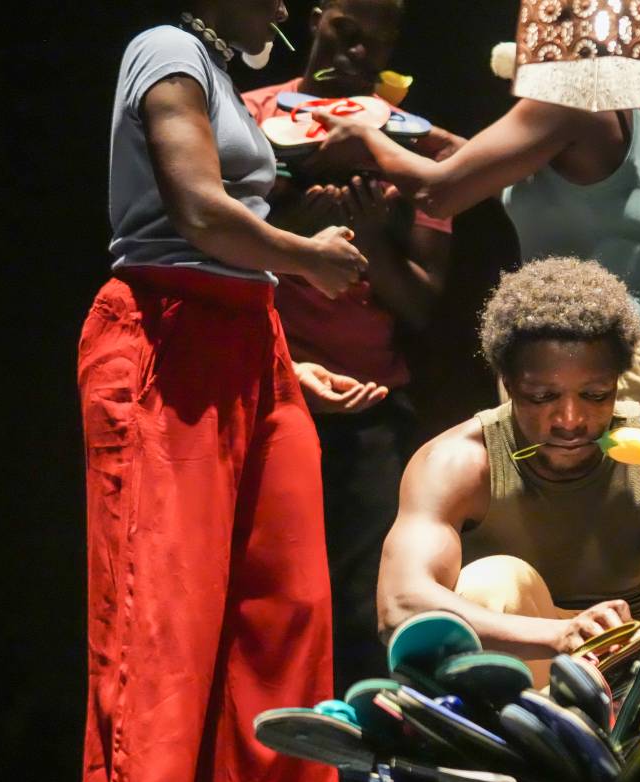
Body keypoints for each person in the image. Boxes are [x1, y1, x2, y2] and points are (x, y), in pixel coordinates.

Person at [79, 0, 360, 782]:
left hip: (250, 339)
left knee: (289, 596)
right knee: (164, 602)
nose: (285, 8)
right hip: (166, 329)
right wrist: (307, 256)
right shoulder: (163, 48)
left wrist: (277, 360)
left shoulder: (222, 76)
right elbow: (198, 210)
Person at [376, 257, 640, 747]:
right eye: (542, 397)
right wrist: (557, 637)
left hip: (635, 663)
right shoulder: (457, 463)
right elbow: (400, 605)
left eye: (595, 394)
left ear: (619, 381)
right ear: (507, 383)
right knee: (495, 580)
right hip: (515, 664)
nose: (570, 419)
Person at [305, 23, 640, 434]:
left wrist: (366, 137)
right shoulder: (619, 100)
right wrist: (408, 135)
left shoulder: (568, 95)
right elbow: (491, 169)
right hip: (591, 364)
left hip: (602, 375)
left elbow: (436, 193)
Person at [242, 0, 452, 685]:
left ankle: (357, 778)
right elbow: (205, 252)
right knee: (263, 602)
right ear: (316, 16)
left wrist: (369, 245)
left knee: (362, 609)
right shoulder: (246, 117)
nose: (361, 46)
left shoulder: (410, 140)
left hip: (370, 402)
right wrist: (293, 235)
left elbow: (422, 303)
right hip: (260, 392)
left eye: (381, 32)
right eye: (347, 25)